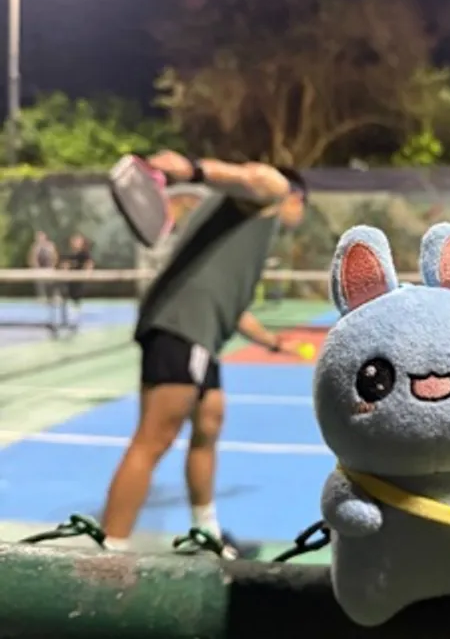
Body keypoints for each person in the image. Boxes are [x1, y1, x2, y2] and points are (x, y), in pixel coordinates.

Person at [100, 151, 308, 556]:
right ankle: (107, 555)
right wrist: (193, 170)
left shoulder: (239, 229)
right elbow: (252, 176)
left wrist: (271, 342)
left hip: (201, 334)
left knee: (209, 422)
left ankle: (206, 532)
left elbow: (234, 309)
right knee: (154, 438)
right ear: (297, 198)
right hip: (183, 327)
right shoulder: (274, 190)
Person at [60, 233, 94, 332]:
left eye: (78, 241)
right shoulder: (69, 254)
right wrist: (65, 269)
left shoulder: (84, 254)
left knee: (76, 301)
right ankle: (66, 321)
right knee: (66, 300)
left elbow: (89, 264)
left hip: (78, 281)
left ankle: (75, 322)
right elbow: (64, 265)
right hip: (69, 281)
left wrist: (87, 273)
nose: (75, 243)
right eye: (74, 241)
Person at [27, 230, 60, 332]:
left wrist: (53, 266)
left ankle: (55, 297)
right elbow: (32, 258)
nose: (40, 239)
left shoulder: (50, 246)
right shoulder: (35, 247)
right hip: (40, 269)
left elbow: (55, 256)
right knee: (40, 284)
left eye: (41, 237)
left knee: (52, 284)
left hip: (49, 268)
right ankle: (42, 297)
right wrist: (35, 267)